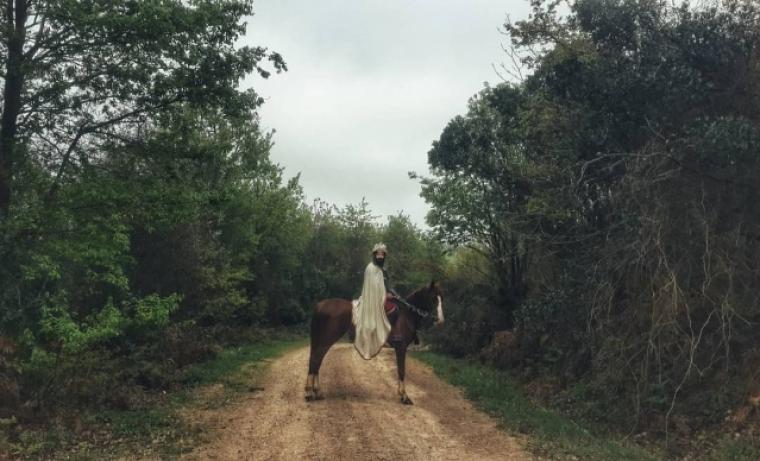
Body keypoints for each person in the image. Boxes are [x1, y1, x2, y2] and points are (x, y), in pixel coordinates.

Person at [351, 243, 397, 359]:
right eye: (378, 254)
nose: (380, 257)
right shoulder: (370, 268)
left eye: (382, 255)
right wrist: (384, 294)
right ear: (375, 255)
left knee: (396, 309)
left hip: (385, 296)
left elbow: (388, 285)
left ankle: (391, 337)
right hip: (374, 298)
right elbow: (371, 286)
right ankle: (380, 337)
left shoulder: (383, 270)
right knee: (388, 310)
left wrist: (393, 293)